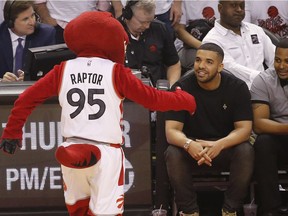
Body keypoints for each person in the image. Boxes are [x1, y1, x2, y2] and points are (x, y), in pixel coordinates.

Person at [0, 11, 197, 216]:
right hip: (105, 151)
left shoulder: (62, 69)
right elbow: (153, 99)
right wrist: (186, 100)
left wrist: (13, 132)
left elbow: (26, 99)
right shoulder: (116, 72)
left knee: (78, 211)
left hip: (71, 148)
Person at [165, 43, 254, 216]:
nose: (201, 66)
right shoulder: (180, 88)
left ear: (221, 66)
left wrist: (220, 144)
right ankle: (189, 211)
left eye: (209, 62)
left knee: (246, 151)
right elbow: (171, 131)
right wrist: (189, 144)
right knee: (172, 153)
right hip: (193, 150)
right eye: (198, 60)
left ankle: (230, 209)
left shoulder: (237, 87)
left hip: (224, 148)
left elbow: (244, 129)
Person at [250, 37, 288, 216]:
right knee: (263, 142)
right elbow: (259, 124)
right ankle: (271, 210)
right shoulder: (263, 80)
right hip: (276, 137)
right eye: (278, 60)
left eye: (287, 61)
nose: (281, 66)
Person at [202, 0, 275, 89]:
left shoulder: (256, 30)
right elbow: (232, 68)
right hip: (234, 93)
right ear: (220, 8)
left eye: (242, 5)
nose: (239, 10)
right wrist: (266, 78)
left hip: (267, 89)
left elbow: (274, 58)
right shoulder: (211, 40)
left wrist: (277, 80)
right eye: (233, 5)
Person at [118, 0, 181, 87]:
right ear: (128, 15)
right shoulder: (114, 31)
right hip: (124, 90)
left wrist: (170, 87)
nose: (147, 26)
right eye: (142, 22)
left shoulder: (159, 29)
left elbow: (174, 64)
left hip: (156, 92)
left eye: (150, 21)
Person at [0, 0, 55, 82]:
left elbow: (51, 72)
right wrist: (1, 81)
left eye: (33, 15)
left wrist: (31, 78)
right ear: (10, 23)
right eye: (25, 19)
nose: (32, 22)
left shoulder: (45, 34)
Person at [34, 0, 123, 44]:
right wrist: (51, 24)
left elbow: (103, 6)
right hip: (58, 29)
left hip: (91, 28)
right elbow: (38, 3)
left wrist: (97, 21)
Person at [174, 0, 219, 73]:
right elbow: (179, 30)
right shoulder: (184, 2)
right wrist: (207, 47)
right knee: (204, 61)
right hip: (190, 46)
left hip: (220, 43)